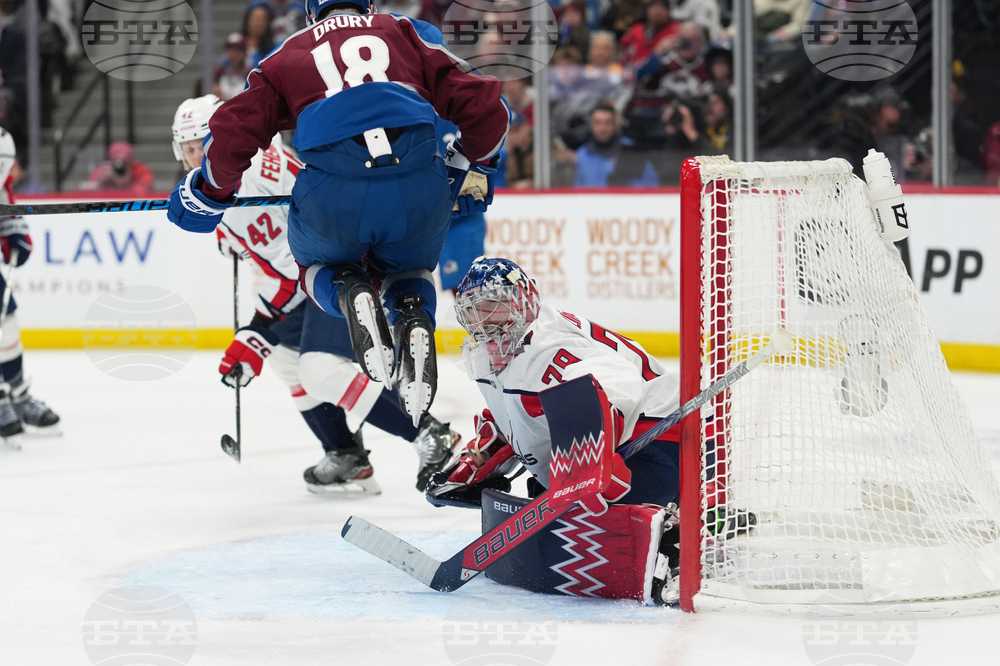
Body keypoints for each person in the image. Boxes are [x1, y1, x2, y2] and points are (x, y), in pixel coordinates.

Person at [165, 0, 509, 428]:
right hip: (418, 182)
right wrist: (474, 164)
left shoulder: (287, 54)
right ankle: (415, 316)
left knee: (315, 267)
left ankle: (350, 293)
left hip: (336, 190)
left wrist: (207, 193)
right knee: (412, 266)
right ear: (366, 5)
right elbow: (489, 106)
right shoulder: (405, 32)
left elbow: (234, 129)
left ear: (312, 13)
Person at [170, 95, 459, 493]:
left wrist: (258, 331)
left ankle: (430, 436)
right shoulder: (254, 153)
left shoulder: (243, 192)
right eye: (183, 149)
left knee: (320, 369)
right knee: (288, 361)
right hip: (324, 257)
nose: (187, 159)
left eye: (192, 148)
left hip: (331, 267)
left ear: (210, 143)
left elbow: (290, 271)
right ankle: (345, 454)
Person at [425, 257, 683, 603]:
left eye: (494, 306)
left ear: (524, 302)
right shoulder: (497, 350)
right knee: (546, 487)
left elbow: (613, 386)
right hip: (630, 442)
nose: (484, 319)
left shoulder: (549, 346)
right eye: (474, 310)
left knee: (596, 488)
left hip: (663, 441)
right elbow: (514, 412)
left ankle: (677, 534)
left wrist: (591, 456)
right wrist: (478, 464)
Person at [0, 127, 60, 448]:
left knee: (6, 322)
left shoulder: (3, 141)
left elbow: (3, 194)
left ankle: (17, 394)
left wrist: (13, 229)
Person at [573, 103, 657, 186]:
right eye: (597, 122)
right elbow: (579, 189)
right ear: (591, 125)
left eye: (607, 122)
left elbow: (652, 186)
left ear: (615, 124)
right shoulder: (583, 154)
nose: (602, 128)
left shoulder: (632, 150)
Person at [618, 0, 678, 71]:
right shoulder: (635, 29)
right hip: (634, 72)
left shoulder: (676, 29)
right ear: (647, 10)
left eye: (661, 9)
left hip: (663, 72)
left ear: (668, 11)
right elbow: (623, 54)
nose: (657, 13)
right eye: (654, 8)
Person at [84, 142, 154, 195]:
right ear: (110, 160)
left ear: (131, 161)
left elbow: (143, 193)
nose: (120, 167)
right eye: (116, 162)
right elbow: (86, 194)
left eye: (125, 162)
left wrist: (127, 183)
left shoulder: (141, 171)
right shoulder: (104, 170)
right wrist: (100, 183)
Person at [213, 33, 253, 101]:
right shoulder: (219, 73)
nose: (234, 54)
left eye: (238, 50)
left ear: (245, 53)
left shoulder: (251, 75)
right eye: (231, 50)